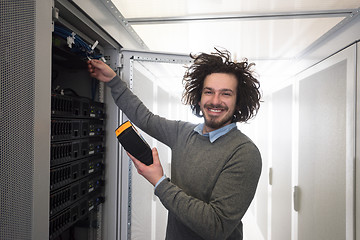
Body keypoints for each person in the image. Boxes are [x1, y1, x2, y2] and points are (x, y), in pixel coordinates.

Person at [88, 48, 262, 240]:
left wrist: (160, 182)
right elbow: (146, 119)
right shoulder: (183, 132)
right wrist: (113, 81)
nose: (215, 101)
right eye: (209, 92)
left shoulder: (244, 153)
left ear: (238, 102)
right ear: (199, 96)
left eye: (226, 94)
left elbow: (216, 226)